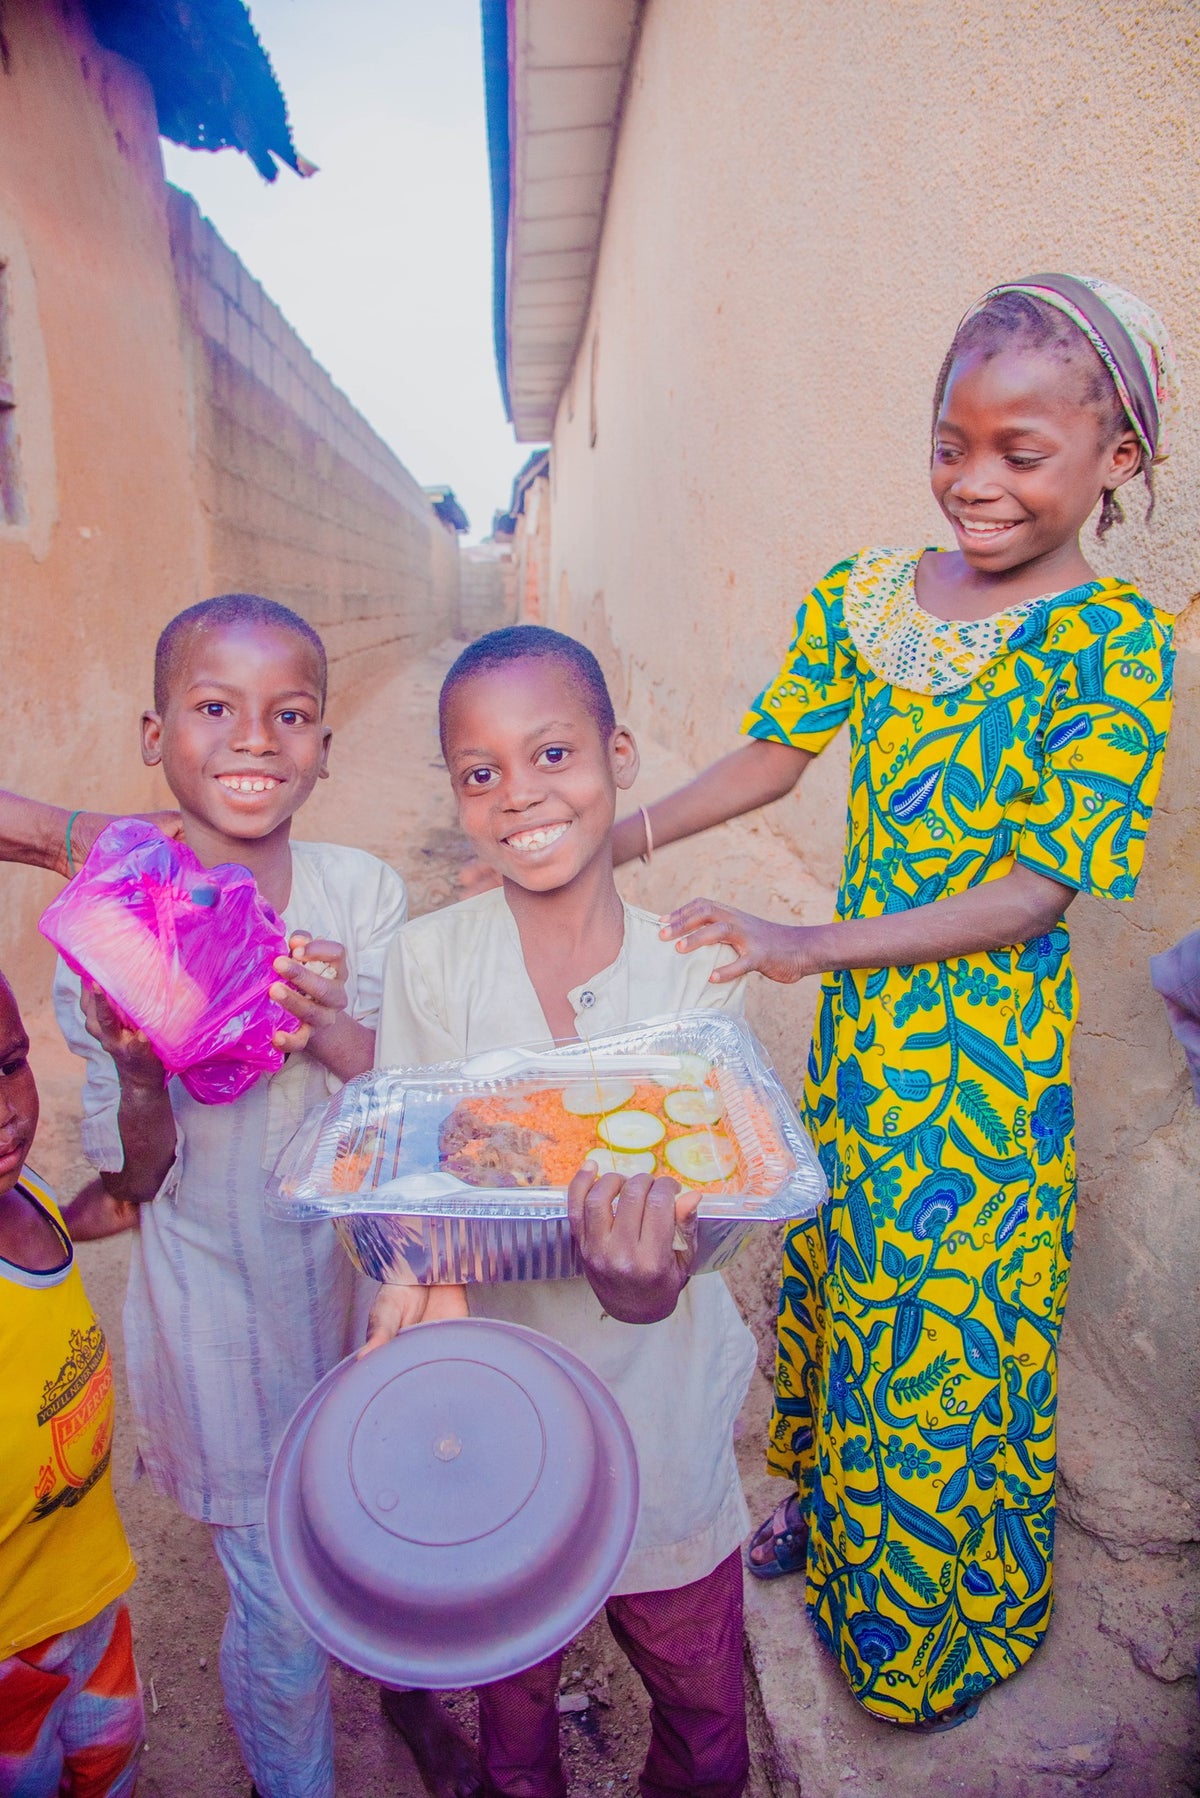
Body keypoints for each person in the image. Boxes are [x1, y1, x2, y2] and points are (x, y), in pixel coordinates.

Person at [624, 276, 1178, 1727]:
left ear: (1112, 460)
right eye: (951, 444)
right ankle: (831, 1512)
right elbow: (777, 748)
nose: (974, 483)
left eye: (1020, 451)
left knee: (948, 1321)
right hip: (870, 1050)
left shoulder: (1117, 647)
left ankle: (925, 1637)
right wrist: (630, 832)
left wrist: (809, 937)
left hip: (986, 1061)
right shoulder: (873, 596)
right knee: (852, 1283)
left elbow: (1035, 893)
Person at [0, 595, 479, 1798]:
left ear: (322, 744)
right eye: (216, 709)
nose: (255, 739)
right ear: (154, 735)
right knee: (276, 1589)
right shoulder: (113, 934)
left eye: (291, 715)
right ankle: (294, 1775)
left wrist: (334, 1032)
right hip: (218, 1306)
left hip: (358, 1278)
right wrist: (133, 1059)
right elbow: (141, 1176)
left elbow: (404, 1100)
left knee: (386, 1508)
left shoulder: (357, 893)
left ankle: (412, 1688)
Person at [366, 624, 758, 1798]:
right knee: (515, 1694)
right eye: (480, 772)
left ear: (617, 755)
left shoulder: (695, 968)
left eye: (552, 753)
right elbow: (410, 1176)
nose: (520, 795)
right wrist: (413, 1272)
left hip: (662, 1412)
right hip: (498, 1414)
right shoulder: (431, 962)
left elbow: (723, 1187)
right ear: (456, 794)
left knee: (699, 1693)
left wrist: (659, 1281)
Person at [0, 967, 144, 1798]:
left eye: (7, 1064)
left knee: (106, 1761)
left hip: (92, 1604)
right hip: (8, 1650)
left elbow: (128, 1196)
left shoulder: (36, 1205)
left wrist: (137, 1074)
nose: (3, 1112)